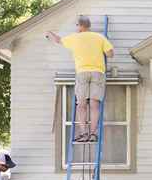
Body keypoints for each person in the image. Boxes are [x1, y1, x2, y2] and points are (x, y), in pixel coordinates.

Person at [46, 15, 114, 143]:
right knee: (94, 104)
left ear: (80, 26)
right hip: (98, 72)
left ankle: (83, 133)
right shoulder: (99, 37)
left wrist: (49, 33)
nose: (76, 27)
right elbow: (110, 53)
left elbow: (58, 40)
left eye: (76, 25)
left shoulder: (74, 38)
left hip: (82, 72)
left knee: (81, 104)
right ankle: (93, 134)